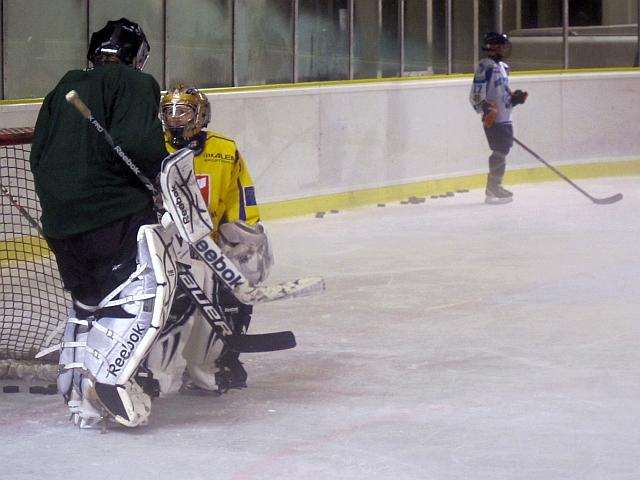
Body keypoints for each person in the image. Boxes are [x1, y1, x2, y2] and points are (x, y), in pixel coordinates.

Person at [30, 18, 171, 428]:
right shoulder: (135, 83)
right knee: (141, 295)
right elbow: (141, 144)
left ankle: (79, 398)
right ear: (136, 55)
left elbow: (39, 155)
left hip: (59, 223)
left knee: (86, 305)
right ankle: (110, 377)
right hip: (113, 214)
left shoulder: (63, 86)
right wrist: (160, 177)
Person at [145, 84, 273, 395]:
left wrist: (245, 238)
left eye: (183, 110)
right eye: (168, 111)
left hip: (210, 246)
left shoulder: (225, 149)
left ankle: (216, 363)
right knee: (169, 311)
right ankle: (150, 374)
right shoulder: (150, 147)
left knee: (230, 299)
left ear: (201, 115)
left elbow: (239, 198)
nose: (175, 118)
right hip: (166, 248)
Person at [470, 32, 528, 204]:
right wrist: (485, 109)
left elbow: (503, 93)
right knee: (499, 151)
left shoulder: (503, 67)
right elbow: (475, 95)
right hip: (494, 119)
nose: (505, 48)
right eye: (502, 45)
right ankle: (493, 188)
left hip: (505, 117)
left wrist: (514, 99)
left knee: (503, 150)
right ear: (493, 48)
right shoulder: (485, 67)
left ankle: (494, 187)